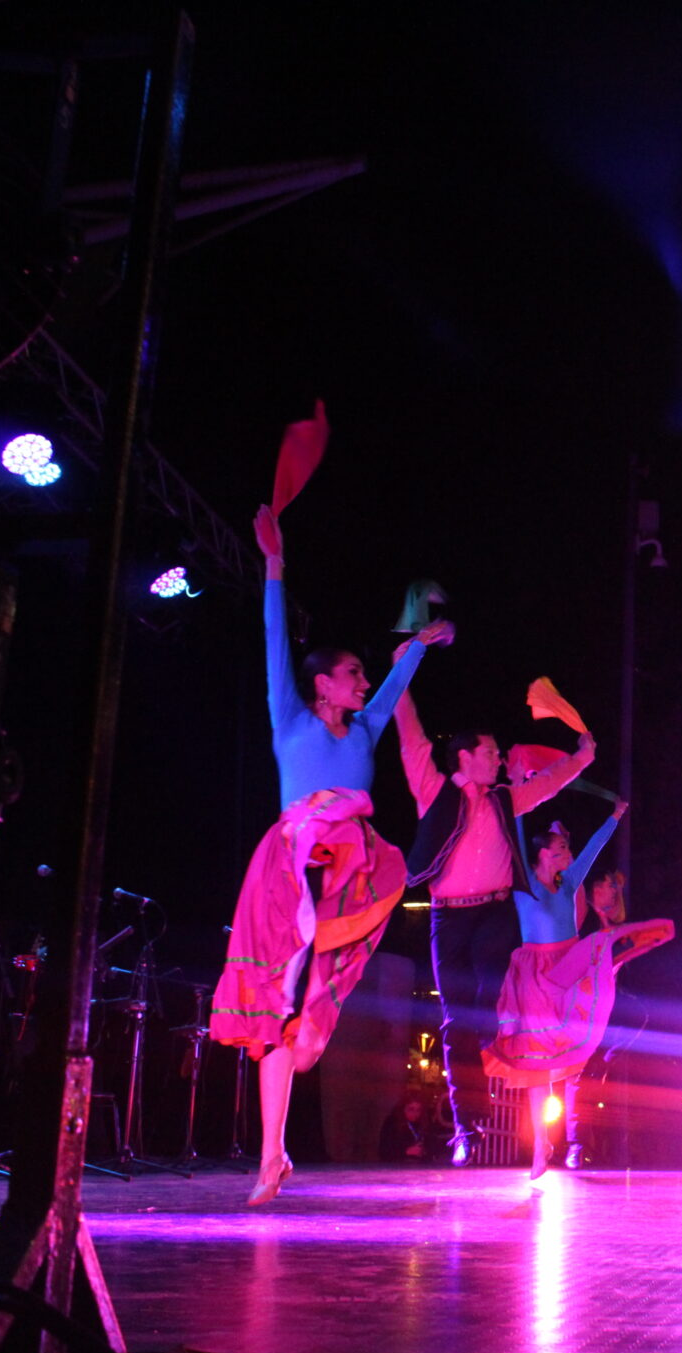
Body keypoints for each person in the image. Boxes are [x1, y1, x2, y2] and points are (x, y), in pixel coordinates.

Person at [209, 499, 452, 1206]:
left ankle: (277, 1138)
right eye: (351, 674)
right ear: (322, 682)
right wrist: (275, 561)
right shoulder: (288, 712)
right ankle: (272, 1153)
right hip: (290, 867)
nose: (361, 683)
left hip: (345, 870)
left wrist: (423, 643)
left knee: (300, 1000)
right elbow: (272, 636)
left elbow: (400, 674)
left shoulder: (363, 729)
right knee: (277, 1020)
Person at [394, 688, 595, 1165]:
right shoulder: (435, 790)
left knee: (488, 983)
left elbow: (549, 781)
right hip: (448, 916)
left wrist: (583, 756)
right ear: (465, 755)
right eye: (489, 752)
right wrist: (402, 684)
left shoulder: (507, 799)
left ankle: (498, 1039)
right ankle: (467, 1127)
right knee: (454, 1021)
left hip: (493, 912)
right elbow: (412, 741)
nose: (497, 758)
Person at [482, 801, 673, 1179]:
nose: (569, 854)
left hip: (569, 964)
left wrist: (615, 816)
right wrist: (518, 797)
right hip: (534, 976)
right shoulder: (524, 886)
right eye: (561, 849)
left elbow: (592, 849)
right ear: (543, 854)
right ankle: (541, 1143)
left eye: (567, 850)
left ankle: (569, 1112)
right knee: (537, 1067)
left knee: (562, 1055)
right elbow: (516, 837)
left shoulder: (569, 883)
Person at [378, 1095, 438, 1163]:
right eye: (411, 1109)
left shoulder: (424, 1123)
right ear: (403, 1108)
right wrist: (406, 1151)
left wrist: (425, 1150)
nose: (415, 1114)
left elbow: (433, 1146)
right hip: (397, 1167)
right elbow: (384, 1151)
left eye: (418, 1110)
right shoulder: (392, 1123)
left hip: (421, 1166)